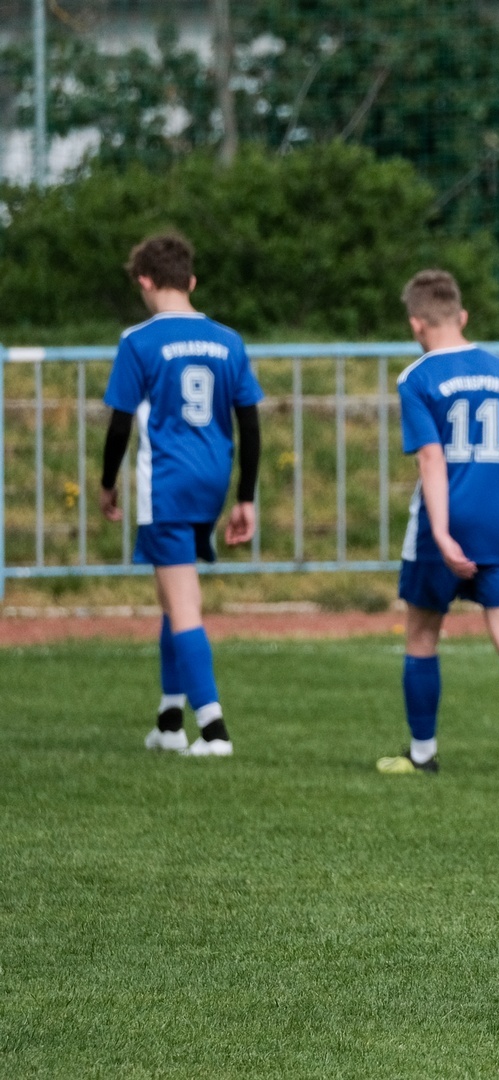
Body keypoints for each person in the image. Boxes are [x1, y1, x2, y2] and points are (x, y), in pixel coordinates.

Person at [375, 270, 499, 778]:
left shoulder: (416, 378)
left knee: (422, 634)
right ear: (461, 316)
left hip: (444, 519)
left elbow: (431, 459)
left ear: (416, 324)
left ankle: (422, 754)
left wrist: (440, 532)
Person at [100, 234, 262, 757]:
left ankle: (213, 730)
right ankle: (170, 721)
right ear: (190, 281)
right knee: (172, 596)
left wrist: (106, 483)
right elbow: (249, 422)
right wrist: (246, 496)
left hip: (166, 482)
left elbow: (120, 424)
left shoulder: (139, 340)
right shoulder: (228, 340)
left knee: (183, 602)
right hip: (211, 481)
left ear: (145, 281)